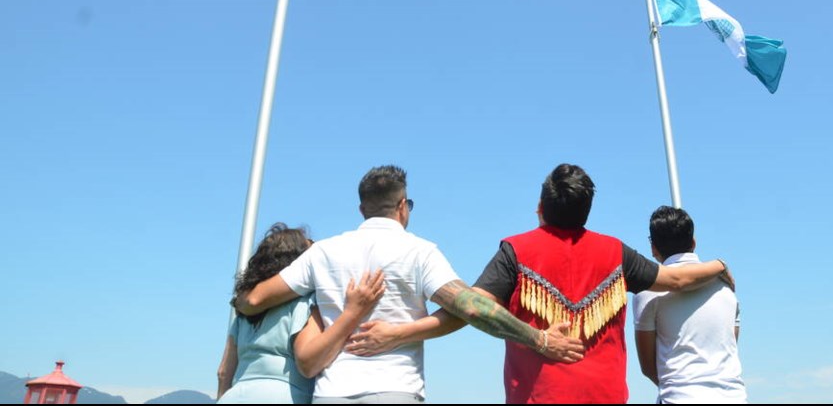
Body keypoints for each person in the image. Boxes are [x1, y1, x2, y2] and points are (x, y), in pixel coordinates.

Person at [345, 163, 735, 404]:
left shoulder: (516, 250)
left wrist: (399, 333)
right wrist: (719, 265)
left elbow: (469, 308)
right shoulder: (616, 254)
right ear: (585, 211)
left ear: (541, 207)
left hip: (536, 397)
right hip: (607, 397)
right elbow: (677, 278)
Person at [233, 165, 585, 404]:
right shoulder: (419, 252)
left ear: (362, 209)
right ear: (403, 206)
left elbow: (251, 300)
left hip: (332, 392)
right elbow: (472, 308)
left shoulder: (323, 252)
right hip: (396, 390)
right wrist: (539, 339)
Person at [217, 223, 385, 404]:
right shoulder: (304, 304)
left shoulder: (243, 313)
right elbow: (310, 360)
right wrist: (353, 313)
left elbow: (223, 372)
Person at [633, 206, 747, 404]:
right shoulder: (726, 288)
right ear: (693, 242)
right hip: (733, 397)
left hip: (679, 397)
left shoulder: (647, 293)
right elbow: (729, 343)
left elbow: (648, 367)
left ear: (653, 247)